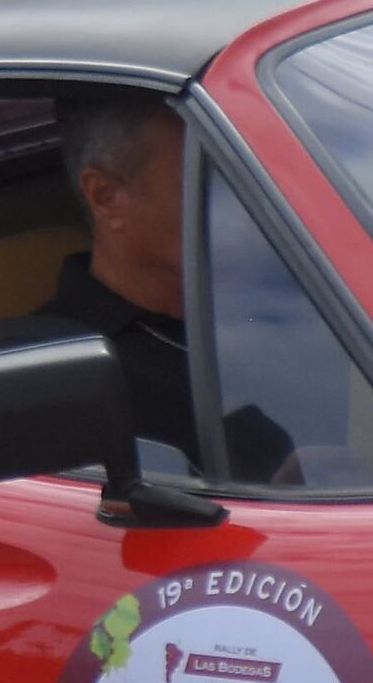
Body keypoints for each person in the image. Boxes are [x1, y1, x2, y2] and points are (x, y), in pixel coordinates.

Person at [44, 92, 295, 478]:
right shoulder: (58, 374)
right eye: (202, 181)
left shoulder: (298, 294)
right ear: (106, 197)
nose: (241, 204)